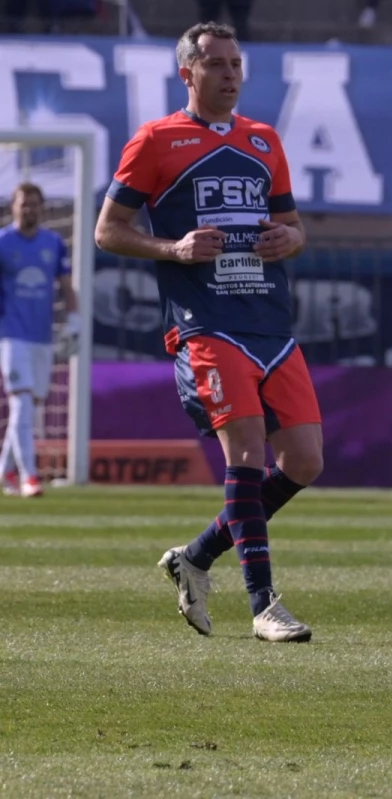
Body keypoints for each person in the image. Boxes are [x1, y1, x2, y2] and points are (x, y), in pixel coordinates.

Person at [94, 22, 322, 641]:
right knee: (247, 453)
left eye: (236, 64)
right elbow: (107, 230)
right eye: (216, 64)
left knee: (304, 460)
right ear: (187, 73)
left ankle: (195, 558)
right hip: (206, 325)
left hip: (270, 323)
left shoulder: (263, 140)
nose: (229, 75)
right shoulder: (156, 141)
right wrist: (175, 246)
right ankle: (264, 605)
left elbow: (294, 226)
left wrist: (290, 239)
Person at [0, 183, 80, 498]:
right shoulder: (3, 242)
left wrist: (73, 320)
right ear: (13, 207)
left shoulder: (53, 243)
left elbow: (65, 285)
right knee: (20, 403)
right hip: (10, 335)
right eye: (24, 204)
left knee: (29, 408)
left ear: (42, 207)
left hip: (42, 336)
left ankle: (5, 469)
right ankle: (29, 477)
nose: (29, 209)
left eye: (34, 204)